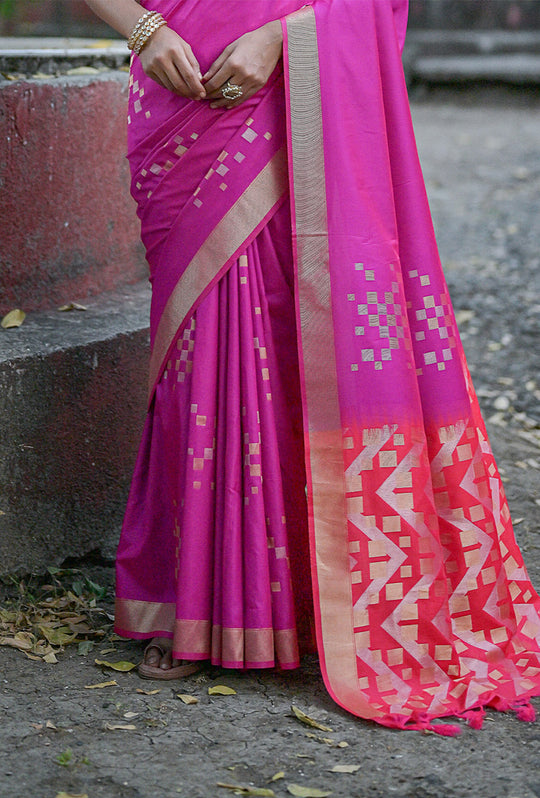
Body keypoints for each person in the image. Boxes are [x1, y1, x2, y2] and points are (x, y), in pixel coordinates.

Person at [84, 0, 540, 733]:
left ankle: (305, 589)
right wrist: (147, 29)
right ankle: (198, 599)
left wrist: (282, 38)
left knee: (306, 326)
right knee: (197, 350)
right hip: (183, 92)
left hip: (288, 87)